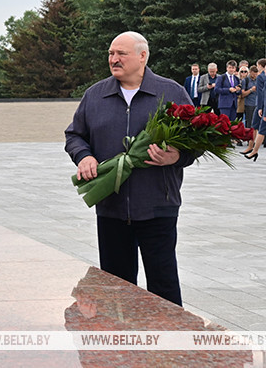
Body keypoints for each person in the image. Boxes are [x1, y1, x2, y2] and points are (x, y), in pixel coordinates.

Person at [65, 31, 195, 307]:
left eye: (121, 54)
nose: (114, 59)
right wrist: (84, 157)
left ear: (142, 56)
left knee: (163, 285)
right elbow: (75, 135)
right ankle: (120, 348)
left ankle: (172, 347)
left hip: (158, 206)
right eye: (111, 54)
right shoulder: (95, 95)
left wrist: (176, 157)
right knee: (115, 289)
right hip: (110, 207)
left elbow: (196, 141)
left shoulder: (172, 93)